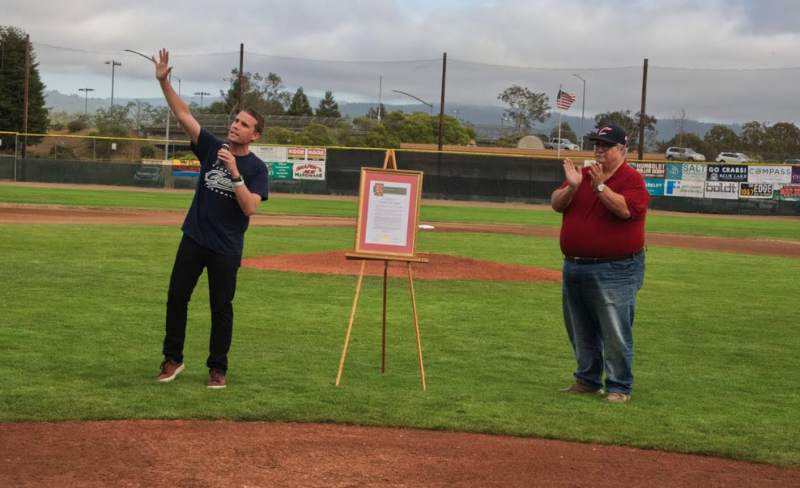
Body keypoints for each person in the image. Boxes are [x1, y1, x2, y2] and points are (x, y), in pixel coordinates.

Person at [152, 49, 269, 389]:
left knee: (221, 309)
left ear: (255, 135)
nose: (236, 126)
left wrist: (234, 173)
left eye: (244, 124)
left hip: (226, 248)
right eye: (236, 120)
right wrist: (164, 82)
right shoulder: (210, 146)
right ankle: (173, 360)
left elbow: (250, 208)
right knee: (177, 298)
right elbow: (183, 113)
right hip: (194, 238)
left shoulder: (257, 169)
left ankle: (217, 369)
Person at [550, 124, 650, 403]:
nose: (600, 149)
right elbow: (556, 204)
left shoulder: (632, 179)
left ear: (622, 150)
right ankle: (587, 380)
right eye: (597, 144)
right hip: (574, 265)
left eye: (607, 145)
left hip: (616, 268)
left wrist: (600, 187)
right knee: (579, 327)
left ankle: (619, 386)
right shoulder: (581, 175)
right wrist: (571, 188)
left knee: (615, 328)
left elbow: (625, 209)